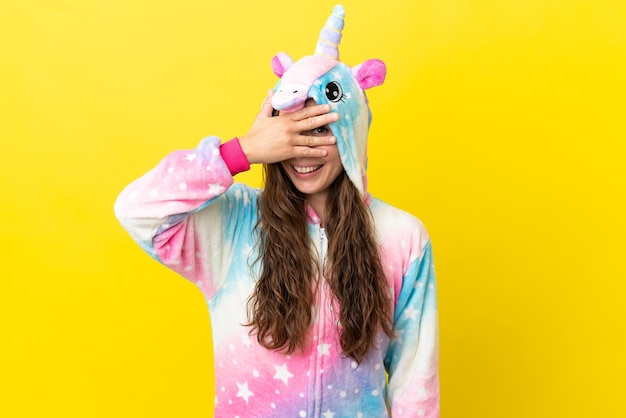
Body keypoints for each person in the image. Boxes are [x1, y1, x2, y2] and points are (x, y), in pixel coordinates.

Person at [114, 5, 439, 417]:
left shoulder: (403, 238)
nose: (302, 150)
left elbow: (416, 384)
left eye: (321, 130)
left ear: (350, 136)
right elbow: (136, 209)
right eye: (290, 132)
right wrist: (241, 151)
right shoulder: (232, 223)